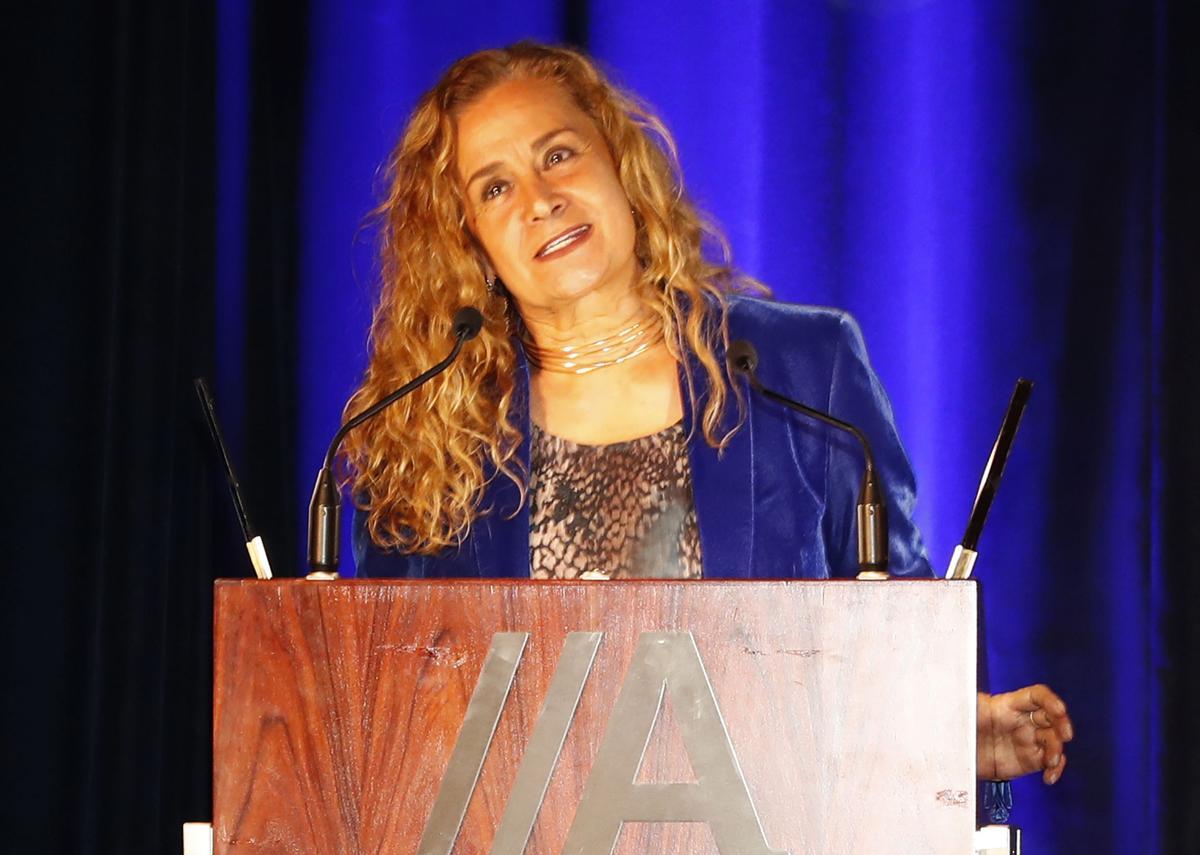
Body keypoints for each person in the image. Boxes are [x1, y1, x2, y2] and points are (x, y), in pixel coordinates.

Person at [345, 40, 1072, 785]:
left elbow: (900, 633)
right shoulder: (429, 440)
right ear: (468, 236)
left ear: (619, 163)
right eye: (494, 189)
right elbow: (383, 723)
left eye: (558, 155)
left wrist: (951, 734)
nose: (539, 199)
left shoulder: (800, 369)